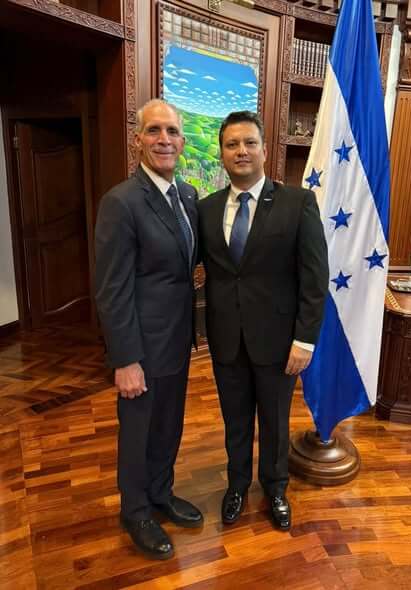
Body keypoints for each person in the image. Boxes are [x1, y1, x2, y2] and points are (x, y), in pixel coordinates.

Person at [198, 111, 328, 531]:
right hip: (226, 340)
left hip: (279, 342)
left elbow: (315, 278)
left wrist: (304, 340)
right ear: (221, 154)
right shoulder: (205, 209)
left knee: (274, 421)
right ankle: (237, 486)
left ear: (264, 150)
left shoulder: (298, 203)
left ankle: (275, 488)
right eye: (232, 144)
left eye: (249, 143)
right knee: (235, 420)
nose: (241, 151)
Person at [95, 99, 203, 560]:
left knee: (168, 426)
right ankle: (136, 511)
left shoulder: (188, 196)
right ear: (138, 138)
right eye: (154, 131)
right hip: (140, 346)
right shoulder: (121, 202)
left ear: (182, 140)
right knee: (138, 433)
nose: (164, 140)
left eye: (172, 131)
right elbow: (111, 289)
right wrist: (125, 359)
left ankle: (160, 493)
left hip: (178, 341)